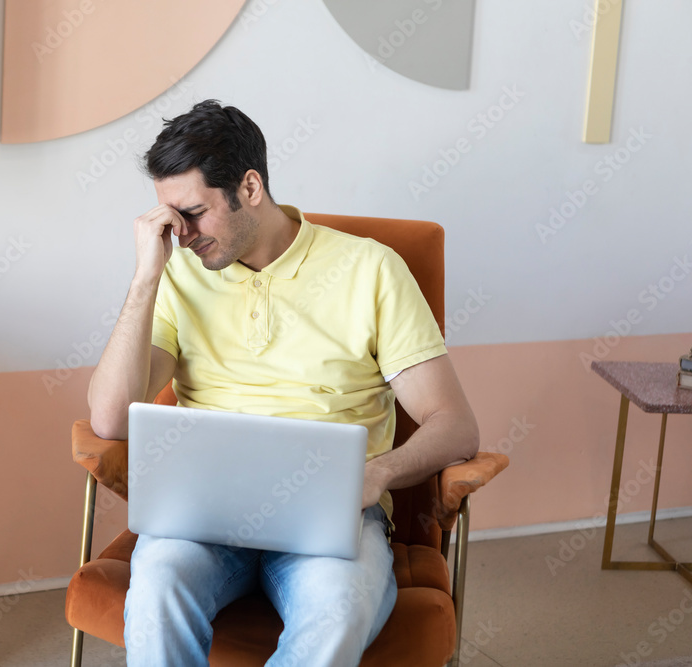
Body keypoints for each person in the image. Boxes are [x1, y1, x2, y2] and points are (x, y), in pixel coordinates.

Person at [87, 99, 479, 666]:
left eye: (193, 213)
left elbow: (455, 424)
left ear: (250, 187)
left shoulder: (370, 269)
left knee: (336, 611)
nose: (183, 236)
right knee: (155, 595)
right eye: (171, 219)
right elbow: (109, 419)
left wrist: (377, 474)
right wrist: (146, 277)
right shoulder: (178, 272)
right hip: (203, 513)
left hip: (329, 515)